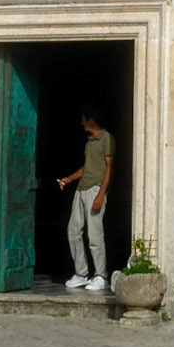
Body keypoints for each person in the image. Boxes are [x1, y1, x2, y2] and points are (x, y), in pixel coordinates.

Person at [58, 109, 115, 292]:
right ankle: (81, 273)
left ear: (91, 120)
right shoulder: (90, 142)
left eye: (84, 120)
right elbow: (87, 167)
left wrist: (100, 194)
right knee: (73, 230)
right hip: (81, 189)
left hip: (95, 189)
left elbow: (109, 168)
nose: (82, 124)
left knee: (95, 234)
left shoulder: (107, 139)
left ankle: (100, 275)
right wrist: (69, 178)